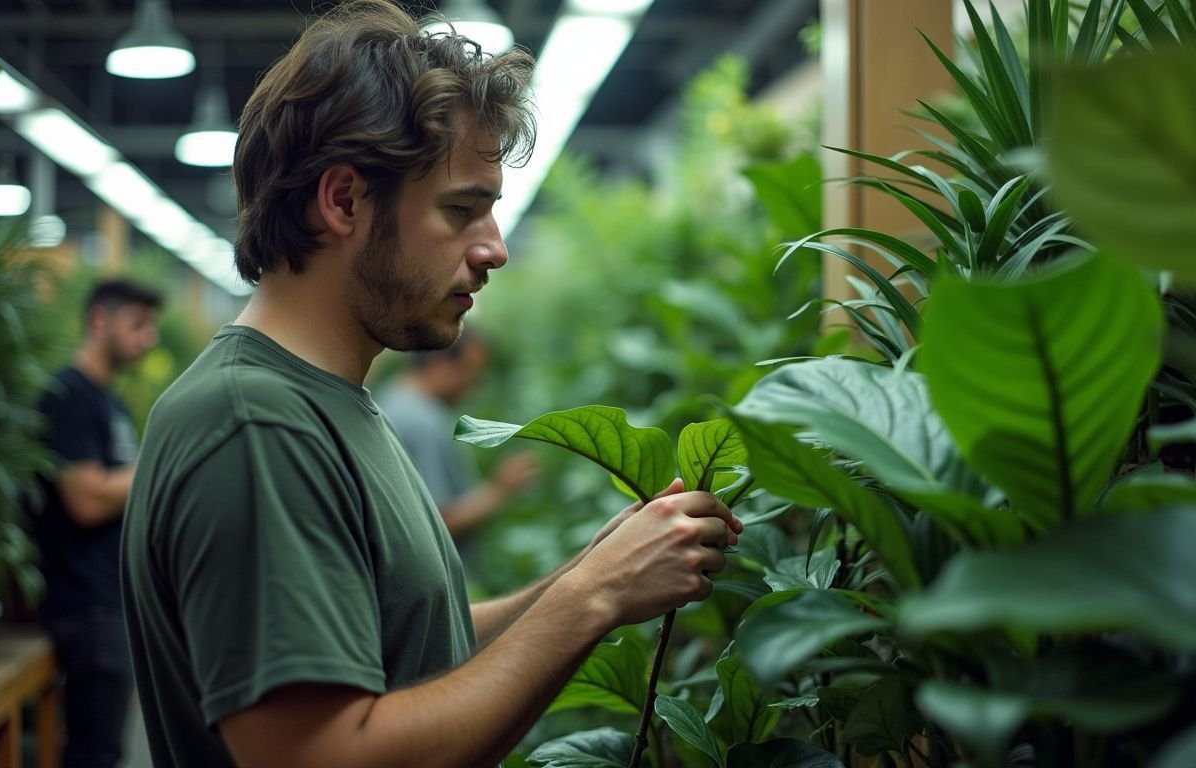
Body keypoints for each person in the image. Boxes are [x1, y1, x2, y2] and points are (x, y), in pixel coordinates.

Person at [120, 2, 742, 768]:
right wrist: (594, 601)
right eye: (462, 210)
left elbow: (411, 645)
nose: (496, 250)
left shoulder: (334, 403)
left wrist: (590, 572)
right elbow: (319, 755)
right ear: (344, 200)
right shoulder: (255, 424)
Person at [32, 277, 161, 768]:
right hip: (86, 609)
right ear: (99, 320)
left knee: (105, 749)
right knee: (94, 754)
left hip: (109, 603)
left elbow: (116, 488)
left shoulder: (111, 402)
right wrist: (160, 462)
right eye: (138, 324)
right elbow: (86, 500)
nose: (147, 338)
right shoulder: (68, 396)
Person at [377, 332, 537, 540]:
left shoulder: (390, 398)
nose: (474, 385)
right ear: (439, 362)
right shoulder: (422, 422)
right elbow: (436, 522)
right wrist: (499, 490)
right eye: (470, 370)